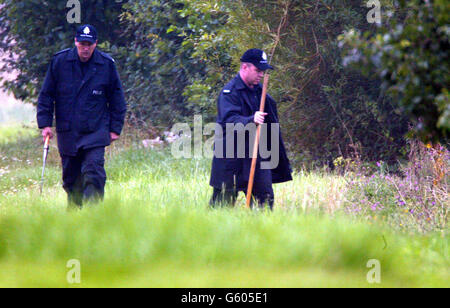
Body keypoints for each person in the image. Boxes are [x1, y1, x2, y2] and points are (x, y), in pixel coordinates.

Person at [37, 24, 127, 208]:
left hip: (95, 131)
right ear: (76, 41)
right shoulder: (60, 62)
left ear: (96, 44)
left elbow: (117, 99)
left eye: (90, 44)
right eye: (82, 44)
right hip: (68, 131)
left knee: (93, 171)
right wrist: (45, 124)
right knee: (71, 179)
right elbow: (46, 95)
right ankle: (75, 215)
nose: (86, 48)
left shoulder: (106, 65)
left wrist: (115, 128)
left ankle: (93, 213)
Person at [209, 49, 292, 210]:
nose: (261, 74)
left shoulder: (262, 93)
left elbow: (271, 124)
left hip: (257, 156)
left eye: (263, 71)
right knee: (221, 207)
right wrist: (251, 120)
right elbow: (229, 121)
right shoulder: (229, 93)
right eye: (258, 70)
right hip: (230, 158)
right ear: (245, 67)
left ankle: (260, 234)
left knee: (265, 204)